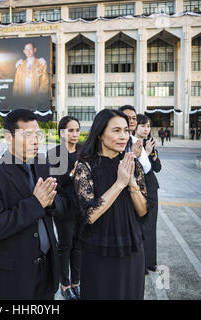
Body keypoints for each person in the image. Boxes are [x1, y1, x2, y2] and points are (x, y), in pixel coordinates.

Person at [0, 109, 69, 300]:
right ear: (8, 138)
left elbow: (63, 203)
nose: (36, 141)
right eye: (28, 135)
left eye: (38, 134)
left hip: (46, 270)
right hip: (12, 276)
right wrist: (36, 204)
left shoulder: (44, 165)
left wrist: (50, 203)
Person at [74, 109, 148, 300]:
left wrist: (132, 183)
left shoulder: (132, 163)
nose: (123, 136)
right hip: (99, 249)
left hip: (131, 246)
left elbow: (142, 211)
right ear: (100, 134)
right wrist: (119, 183)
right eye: (116, 130)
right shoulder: (85, 166)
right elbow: (89, 215)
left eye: (125, 130)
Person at [47, 116, 81, 300]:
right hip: (64, 207)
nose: (75, 134)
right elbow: (55, 183)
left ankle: (77, 283)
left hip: (82, 207)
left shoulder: (83, 151)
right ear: (62, 132)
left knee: (78, 245)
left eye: (77, 130)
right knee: (66, 245)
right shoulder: (54, 154)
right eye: (70, 130)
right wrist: (71, 174)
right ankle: (65, 285)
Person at [135, 114, 161, 273]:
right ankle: (141, 263)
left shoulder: (150, 143)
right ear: (136, 126)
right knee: (139, 226)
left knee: (151, 225)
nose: (146, 129)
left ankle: (151, 261)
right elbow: (138, 169)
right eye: (143, 126)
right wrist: (145, 152)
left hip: (151, 188)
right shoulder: (131, 143)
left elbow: (157, 168)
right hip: (137, 189)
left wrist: (153, 154)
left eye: (148, 126)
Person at [119, 105, 151, 174]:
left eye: (134, 118)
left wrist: (138, 156)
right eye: (128, 118)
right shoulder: (114, 139)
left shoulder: (135, 141)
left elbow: (147, 168)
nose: (131, 121)